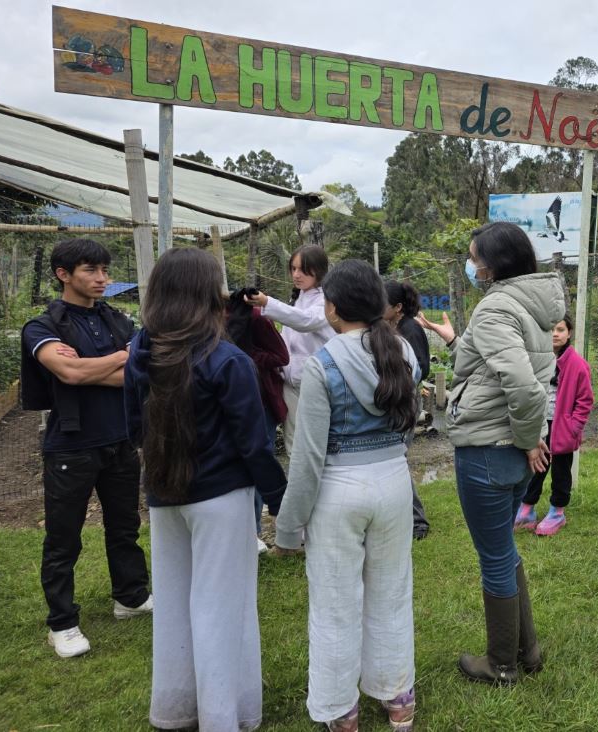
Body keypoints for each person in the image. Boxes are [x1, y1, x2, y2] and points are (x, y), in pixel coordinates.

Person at [124, 247, 286, 731]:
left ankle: (176, 709)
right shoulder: (227, 360)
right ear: (208, 292)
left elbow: (134, 429)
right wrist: (281, 501)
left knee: (174, 604)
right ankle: (222, 716)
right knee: (222, 607)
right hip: (221, 499)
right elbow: (254, 443)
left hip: (164, 496)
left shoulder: (140, 352)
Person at [274, 260, 421, 732]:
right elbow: (409, 422)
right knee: (392, 591)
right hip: (394, 483)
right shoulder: (403, 350)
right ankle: (398, 697)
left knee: (335, 602)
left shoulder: (323, 363)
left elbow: (308, 457)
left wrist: (287, 529)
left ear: (332, 307)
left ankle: (341, 711)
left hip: (338, 491)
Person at [418, 221, 564, 685]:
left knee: (495, 556)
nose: (471, 265)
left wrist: (528, 438)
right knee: (504, 548)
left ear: (495, 263)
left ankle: (501, 665)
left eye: (474, 257)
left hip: (490, 448)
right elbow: (494, 366)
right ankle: (527, 651)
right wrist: (454, 340)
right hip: (512, 450)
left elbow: (521, 385)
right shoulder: (529, 303)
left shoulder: (497, 306)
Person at [19, 238, 152, 659]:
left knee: (125, 526)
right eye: (91, 270)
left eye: (104, 270)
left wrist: (86, 367)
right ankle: (62, 623)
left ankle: (131, 597)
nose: (102, 279)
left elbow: (138, 375)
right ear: (63, 274)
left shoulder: (117, 319)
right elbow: (69, 374)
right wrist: (121, 357)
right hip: (70, 447)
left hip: (120, 439)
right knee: (64, 539)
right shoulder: (42, 326)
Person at [245, 245, 336, 452]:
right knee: (293, 440)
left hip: (317, 382)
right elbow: (287, 337)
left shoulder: (326, 300)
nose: (296, 275)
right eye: (293, 269)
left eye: (303, 270)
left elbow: (305, 321)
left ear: (318, 270)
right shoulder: (298, 298)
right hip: (291, 382)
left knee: (318, 439)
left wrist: (267, 302)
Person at [514, 313, 593, 536]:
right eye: (550, 330)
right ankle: (526, 508)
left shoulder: (578, 365)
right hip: (539, 425)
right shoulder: (535, 359)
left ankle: (557, 512)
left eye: (560, 330)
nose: (555, 334)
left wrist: (573, 427)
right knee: (535, 467)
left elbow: (585, 400)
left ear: (569, 333)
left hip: (563, 429)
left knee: (561, 472)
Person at [225, 287, 290, 553]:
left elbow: (282, 357)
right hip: (231, 402)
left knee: (257, 465)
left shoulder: (255, 318)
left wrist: (248, 356)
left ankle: (253, 533)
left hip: (261, 401)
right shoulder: (210, 317)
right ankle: (240, 532)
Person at [384, 280, 431, 540]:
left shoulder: (410, 329)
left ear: (398, 307)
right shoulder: (392, 328)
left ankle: (417, 522)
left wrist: (399, 386)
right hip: (399, 400)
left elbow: (422, 367)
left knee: (397, 459)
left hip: (407, 401)